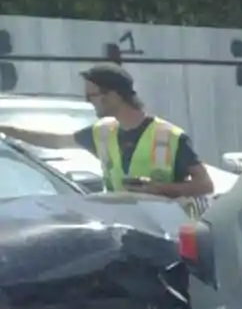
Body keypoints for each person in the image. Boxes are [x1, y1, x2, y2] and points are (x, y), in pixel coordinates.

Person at [0, 63, 215, 213]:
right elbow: (55, 142)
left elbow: (205, 185)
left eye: (91, 95)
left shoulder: (169, 136)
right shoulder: (102, 132)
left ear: (112, 95)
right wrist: (6, 129)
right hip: (124, 232)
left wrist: (161, 189)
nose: (88, 101)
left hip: (166, 235)